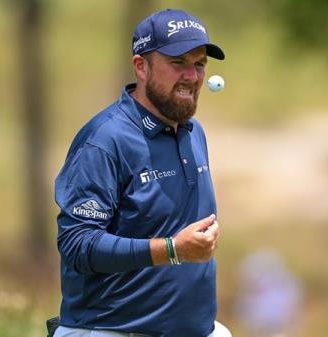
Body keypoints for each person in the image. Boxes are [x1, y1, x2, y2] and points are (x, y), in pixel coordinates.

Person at [52, 8, 229, 337]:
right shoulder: (105, 140)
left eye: (200, 63)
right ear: (141, 66)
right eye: (178, 63)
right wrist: (173, 250)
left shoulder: (194, 133)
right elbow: (77, 244)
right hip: (111, 330)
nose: (192, 76)